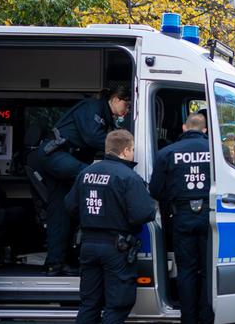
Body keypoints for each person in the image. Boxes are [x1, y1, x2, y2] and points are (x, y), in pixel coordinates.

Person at [35, 85, 131, 276]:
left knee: (62, 214)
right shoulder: (92, 107)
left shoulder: (105, 118)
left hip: (64, 161)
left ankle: (55, 264)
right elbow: (92, 137)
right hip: (55, 155)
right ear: (115, 98)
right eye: (126, 105)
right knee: (93, 176)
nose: (126, 111)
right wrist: (123, 148)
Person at [65, 130, 156, 324]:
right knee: (117, 305)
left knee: (89, 304)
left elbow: (70, 206)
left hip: (88, 245)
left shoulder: (85, 173)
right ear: (124, 151)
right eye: (132, 150)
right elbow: (143, 213)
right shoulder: (128, 177)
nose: (133, 154)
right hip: (117, 249)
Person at [149, 115, 213, 324]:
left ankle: (188, 318)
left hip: (181, 217)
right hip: (209, 217)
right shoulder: (216, 152)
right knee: (207, 269)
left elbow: (155, 189)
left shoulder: (166, 153)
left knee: (186, 270)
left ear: (185, 127)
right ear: (205, 130)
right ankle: (206, 317)